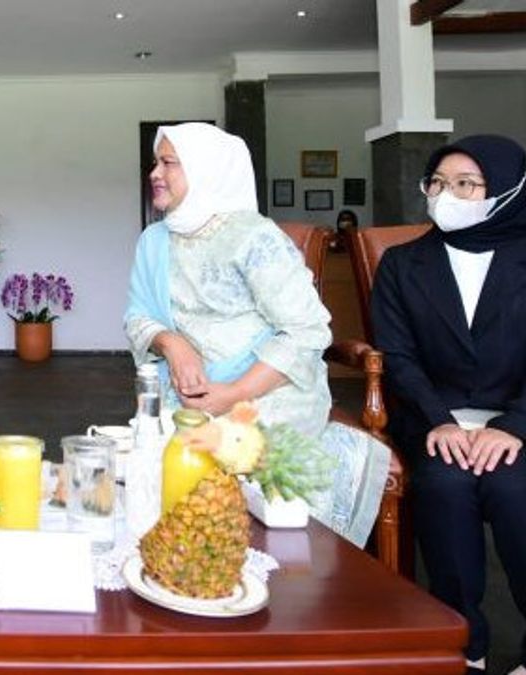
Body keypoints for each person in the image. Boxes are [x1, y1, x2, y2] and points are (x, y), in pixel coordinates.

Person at [125, 122, 389, 546]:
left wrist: (233, 393)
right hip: (188, 396)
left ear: (207, 170)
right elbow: (138, 317)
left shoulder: (254, 238)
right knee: (147, 481)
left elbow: (306, 332)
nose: (155, 173)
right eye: (156, 162)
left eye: (169, 163)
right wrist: (171, 344)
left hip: (266, 393)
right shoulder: (153, 242)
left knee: (217, 488)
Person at [371, 134, 526, 675]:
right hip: (436, 418)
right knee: (445, 485)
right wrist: (439, 421)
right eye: (436, 183)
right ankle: (465, 641)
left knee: (514, 488)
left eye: (465, 184)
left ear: (507, 189)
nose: (446, 195)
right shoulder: (402, 263)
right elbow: (398, 355)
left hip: (516, 424)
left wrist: (514, 426)